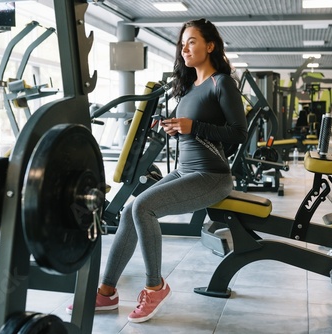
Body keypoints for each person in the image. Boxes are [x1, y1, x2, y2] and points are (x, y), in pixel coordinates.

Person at [67, 18, 247, 323]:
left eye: (192, 41)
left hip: (213, 176)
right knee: (128, 211)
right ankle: (107, 293)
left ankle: (155, 287)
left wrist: (195, 126)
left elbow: (238, 133)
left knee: (144, 208)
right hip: (184, 170)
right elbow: (191, 130)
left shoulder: (222, 82)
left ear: (210, 45)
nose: (185, 48)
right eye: (183, 42)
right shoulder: (189, 88)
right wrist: (173, 128)